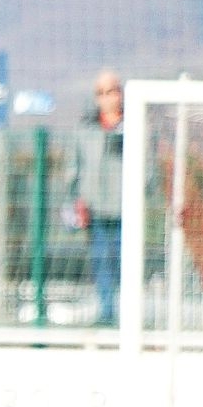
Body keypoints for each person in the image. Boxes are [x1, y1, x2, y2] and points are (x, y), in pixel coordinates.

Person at [69, 70, 125, 326]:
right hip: (96, 208)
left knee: (125, 260)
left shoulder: (134, 125)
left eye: (110, 91)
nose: (106, 98)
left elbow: (148, 168)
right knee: (101, 260)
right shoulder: (86, 129)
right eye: (100, 93)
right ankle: (107, 312)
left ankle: (126, 314)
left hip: (126, 208)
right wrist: (78, 199)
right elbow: (74, 166)